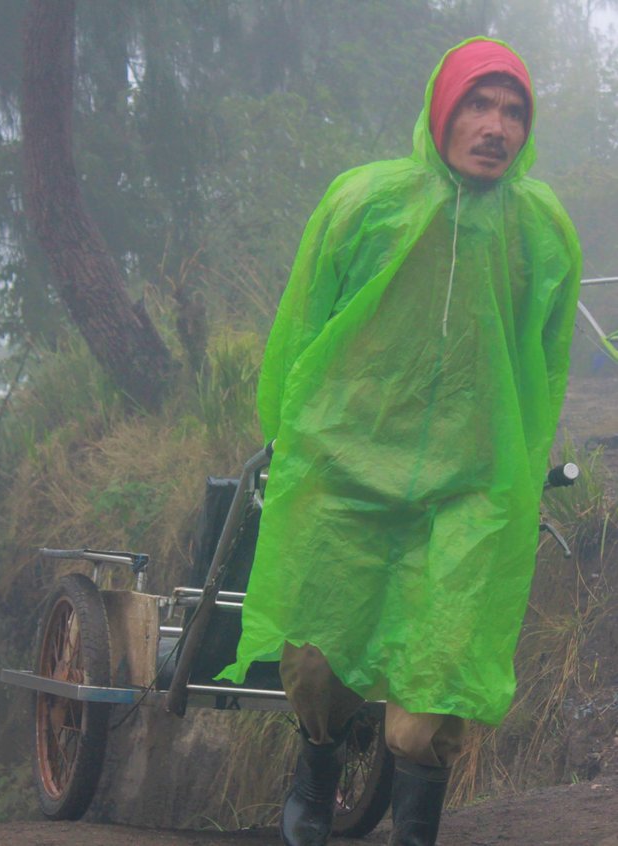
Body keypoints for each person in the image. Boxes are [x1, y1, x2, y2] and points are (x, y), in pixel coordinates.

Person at [218, 36, 582, 846]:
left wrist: (522, 465)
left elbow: (546, 359)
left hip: (468, 490)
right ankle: (316, 765)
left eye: (513, 110)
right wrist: (289, 433)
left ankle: (415, 833)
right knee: (317, 663)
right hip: (346, 473)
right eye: (479, 105)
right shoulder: (365, 204)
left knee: (439, 682)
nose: (495, 126)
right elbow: (303, 325)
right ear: (441, 110)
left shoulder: (541, 232)